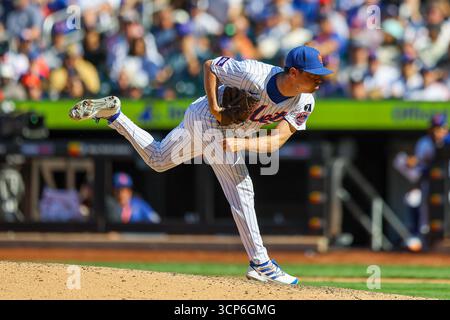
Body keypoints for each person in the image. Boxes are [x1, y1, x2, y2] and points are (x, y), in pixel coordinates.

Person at [69, 45, 333, 285]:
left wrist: (243, 145)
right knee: (242, 188)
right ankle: (261, 263)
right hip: (206, 117)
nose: (319, 81)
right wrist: (216, 107)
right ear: (294, 73)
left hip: (231, 133)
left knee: (159, 160)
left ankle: (115, 115)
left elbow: (277, 140)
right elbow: (210, 65)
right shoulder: (253, 74)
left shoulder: (305, 101)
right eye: (314, 75)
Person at [394, 113, 450, 251]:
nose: (438, 132)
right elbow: (420, 168)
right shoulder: (424, 142)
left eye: (441, 128)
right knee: (413, 198)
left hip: (447, 185)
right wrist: (413, 164)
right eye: (435, 128)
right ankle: (416, 236)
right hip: (429, 184)